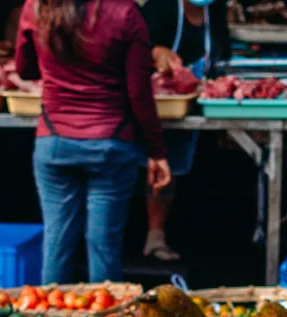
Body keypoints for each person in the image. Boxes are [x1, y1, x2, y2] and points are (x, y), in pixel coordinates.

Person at [15, 0, 171, 284]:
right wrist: (157, 152)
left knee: (56, 244)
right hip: (109, 144)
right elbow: (139, 94)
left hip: (54, 141)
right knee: (103, 248)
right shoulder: (126, 14)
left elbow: (24, 68)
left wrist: (62, 64)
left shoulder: (37, 7)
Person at [140, 0, 230, 262]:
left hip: (202, 103)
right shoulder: (162, 8)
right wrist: (157, 52)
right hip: (162, 104)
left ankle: (200, 248)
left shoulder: (215, 9)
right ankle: (154, 237)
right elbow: (133, 43)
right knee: (161, 168)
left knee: (196, 173)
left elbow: (223, 54)